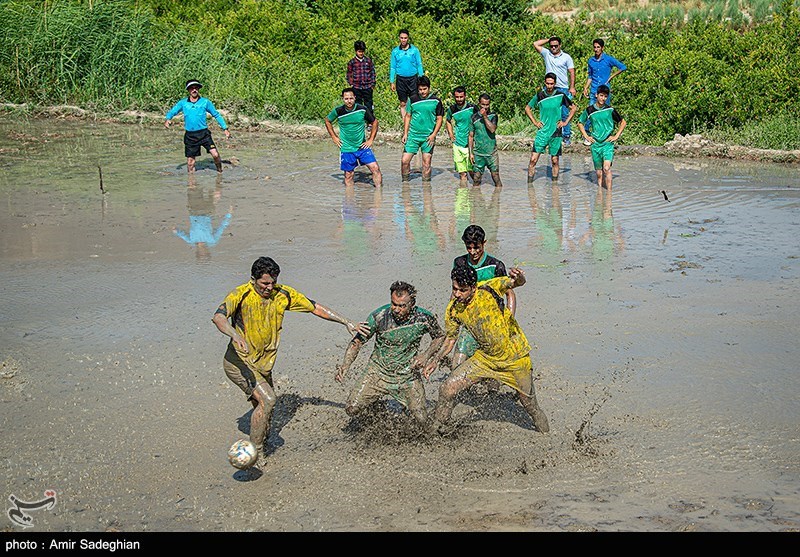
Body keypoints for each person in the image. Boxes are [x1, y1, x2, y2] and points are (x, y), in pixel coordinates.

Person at [212, 256, 368, 471]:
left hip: (263, 365)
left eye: (272, 282)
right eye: (264, 283)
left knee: (262, 406)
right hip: (239, 363)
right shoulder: (241, 294)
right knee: (268, 400)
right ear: (253, 279)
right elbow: (218, 317)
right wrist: (234, 335)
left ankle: (262, 440)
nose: (269, 287)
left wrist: (346, 321)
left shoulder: (282, 294)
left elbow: (314, 307)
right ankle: (256, 453)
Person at [424, 265, 550, 434]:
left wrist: (519, 276)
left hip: (515, 358)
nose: (457, 294)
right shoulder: (454, 309)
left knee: (531, 406)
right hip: (485, 359)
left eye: (463, 290)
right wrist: (435, 360)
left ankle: (546, 435)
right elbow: (450, 339)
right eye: (455, 289)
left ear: (474, 287)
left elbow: (517, 283)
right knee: (447, 388)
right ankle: (436, 430)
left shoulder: (489, 288)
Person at [335, 281, 445, 428]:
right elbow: (357, 342)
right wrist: (345, 365)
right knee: (352, 408)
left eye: (402, 306)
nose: (396, 309)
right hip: (378, 372)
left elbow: (439, 336)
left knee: (421, 420)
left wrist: (426, 355)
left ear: (412, 304)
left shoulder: (424, 318)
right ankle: (377, 410)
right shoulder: (379, 317)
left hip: (407, 375)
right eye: (394, 304)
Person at [451, 225, 515, 393]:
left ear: (484, 243)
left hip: (492, 326)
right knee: (456, 365)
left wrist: (507, 320)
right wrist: (452, 320)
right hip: (470, 324)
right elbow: (455, 291)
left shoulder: (495, 265)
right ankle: (464, 396)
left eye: (476, 247)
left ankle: (491, 400)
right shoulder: (459, 263)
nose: (472, 251)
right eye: (469, 247)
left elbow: (510, 294)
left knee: (493, 379)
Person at [164, 79, 231, 173]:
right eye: (191, 88)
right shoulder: (183, 103)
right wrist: (168, 118)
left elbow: (216, 115)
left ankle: (220, 172)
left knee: (215, 155)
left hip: (204, 134)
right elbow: (173, 111)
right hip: (190, 135)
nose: (194, 90)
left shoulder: (205, 102)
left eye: (196, 88)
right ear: (188, 90)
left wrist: (225, 128)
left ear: (199, 89)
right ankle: (191, 184)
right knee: (190, 163)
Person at [325, 87, 383, 188]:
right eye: (346, 99)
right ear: (343, 99)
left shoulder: (362, 109)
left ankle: (378, 194)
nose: (349, 101)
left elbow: (374, 122)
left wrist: (370, 140)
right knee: (349, 175)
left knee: (375, 168)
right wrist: (334, 137)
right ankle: (349, 199)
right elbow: (327, 121)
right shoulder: (338, 111)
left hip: (362, 147)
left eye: (351, 98)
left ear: (355, 98)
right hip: (347, 148)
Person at [525, 72, 576, 182]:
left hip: (556, 133)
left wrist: (565, 122)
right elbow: (527, 108)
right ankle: (529, 186)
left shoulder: (560, 95)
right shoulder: (539, 95)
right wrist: (535, 122)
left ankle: (555, 188)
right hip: (542, 132)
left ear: (555, 83)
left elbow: (573, 108)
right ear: (545, 83)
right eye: (547, 84)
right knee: (533, 160)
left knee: (555, 161)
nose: (549, 86)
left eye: (551, 84)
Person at [577, 84, 627, 190]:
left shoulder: (610, 110)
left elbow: (623, 122)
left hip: (607, 143)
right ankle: (600, 196)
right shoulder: (589, 110)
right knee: (599, 174)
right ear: (596, 95)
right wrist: (586, 136)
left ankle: (608, 196)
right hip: (595, 144)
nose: (603, 98)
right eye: (601, 95)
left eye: (605, 96)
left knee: (606, 168)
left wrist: (616, 136)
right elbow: (580, 122)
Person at [172, 175, 232, 261]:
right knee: (211, 191)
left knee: (193, 190)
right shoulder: (212, 240)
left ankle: (193, 175)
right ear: (208, 252)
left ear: (197, 253)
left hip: (193, 212)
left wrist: (175, 231)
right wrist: (229, 214)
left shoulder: (191, 241)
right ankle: (215, 177)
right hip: (207, 212)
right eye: (204, 254)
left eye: (201, 254)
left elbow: (181, 234)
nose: (202, 252)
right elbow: (221, 228)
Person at [582, 38, 627, 145]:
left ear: (602, 48)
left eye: (598, 47)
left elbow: (623, 67)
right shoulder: (591, 61)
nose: (596, 49)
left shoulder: (608, 59)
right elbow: (590, 76)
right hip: (594, 90)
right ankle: (588, 136)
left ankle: (607, 136)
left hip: (604, 91)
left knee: (606, 114)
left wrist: (611, 77)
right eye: (595, 47)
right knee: (590, 112)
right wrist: (585, 87)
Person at [534, 36, 576, 146]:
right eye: (551, 46)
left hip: (562, 88)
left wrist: (572, 87)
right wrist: (549, 39)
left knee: (564, 113)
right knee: (549, 112)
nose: (553, 48)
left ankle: (566, 136)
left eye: (556, 46)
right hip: (548, 88)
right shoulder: (547, 54)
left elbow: (571, 72)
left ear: (560, 45)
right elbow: (536, 44)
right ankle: (550, 134)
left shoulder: (566, 57)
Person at [401, 76, 444, 183]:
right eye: (420, 89)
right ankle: (405, 184)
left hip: (428, 137)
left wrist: (434, 134)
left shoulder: (436, 101)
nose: (422, 92)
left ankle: (426, 187)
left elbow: (439, 119)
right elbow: (408, 116)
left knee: (426, 162)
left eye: (424, 89)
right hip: (413, 136)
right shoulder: (413, 99)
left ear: (429, 88)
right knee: (404, 161)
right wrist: (405, 133)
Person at [468, 93, 502, 188]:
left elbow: (492, 129)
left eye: (487, 104)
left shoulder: (493, 115)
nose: (485, 107)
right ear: (479, 104)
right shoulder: (473, 117)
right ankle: (476, 200)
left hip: (491, 153)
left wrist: (485, 117)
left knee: (496, 177)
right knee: (476, 179)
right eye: (483, 104)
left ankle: (497, 200)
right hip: (478, 153)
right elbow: (471, 136)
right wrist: (470, 153)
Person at [390, 29, 425, 120]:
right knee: (403, 102)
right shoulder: (395, 51)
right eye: (401, 38)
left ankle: (414, 121)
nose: (403, 40)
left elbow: (419, 64)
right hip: (401, 79)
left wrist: (421, 78)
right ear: (399, 38)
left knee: (414, 101)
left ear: (408, 38)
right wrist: (391, 81)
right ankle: (405, 123)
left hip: (413, 79)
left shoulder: (414, 50)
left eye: (405, 38)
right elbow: (393, 67)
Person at [445, 86, 475, 185]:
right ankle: (462, 198)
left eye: (461, 97)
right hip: (457, 144)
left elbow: (480, 121)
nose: (459, 99)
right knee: (462, 174)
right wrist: (451, 134)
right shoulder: (452, 109)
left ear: (465, 96)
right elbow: (448, 121)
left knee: (472, 172)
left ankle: (476, 196)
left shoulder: (472, 108)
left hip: (470, 145)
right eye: (457, 97)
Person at [347, 40, 376, 112]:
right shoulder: (352, 62)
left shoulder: (368, 61)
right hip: (356, 87)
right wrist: (351, 84)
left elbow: (372, 72)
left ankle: (370, 121)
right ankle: (359, 120)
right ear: (356, 51)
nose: (361, 53)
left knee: (369, 104)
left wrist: (372, 83)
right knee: (357, 104)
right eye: (359, 51)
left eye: (362, 51)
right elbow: (349, 74)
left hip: (368, 86)